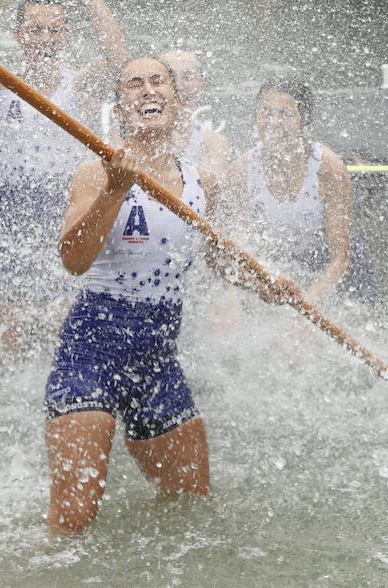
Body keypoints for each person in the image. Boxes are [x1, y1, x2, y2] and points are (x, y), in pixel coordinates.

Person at [45, 56, 301, 535]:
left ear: (178, 102)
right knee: (74, 519)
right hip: (89, 352)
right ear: (120, 106)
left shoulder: (205, 180)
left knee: (190, 510)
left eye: (157, 81)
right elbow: (73, 260)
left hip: (158, 359)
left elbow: (219, 259)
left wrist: (265, 285)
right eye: (134, 84)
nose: (147, 90)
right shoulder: (95, 170)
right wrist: (114, 192)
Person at [0, 0, 127, 354]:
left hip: (65, 217)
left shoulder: (79, 86)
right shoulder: (0, 85)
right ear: (18, 35)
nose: (45, 40)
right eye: (35, 30)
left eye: (54, 31)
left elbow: (119, 61)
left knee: (59, 349)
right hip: (8, 221)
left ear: (65, 36)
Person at [215, 76, 372, 330]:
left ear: (303, 121)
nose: (273, 123)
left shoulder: (329, 167)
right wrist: (233, 295)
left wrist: (305, 312)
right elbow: (237, 250)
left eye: (285, 114)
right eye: (265, 113)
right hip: (281, 269)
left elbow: (340, 258)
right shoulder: (240, 171)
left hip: (332, 270)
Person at [158, 49, 232, 184]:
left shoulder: (215, 144)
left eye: (187, 77)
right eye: (170, 77)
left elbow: (205, 194)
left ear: (200, 82)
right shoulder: (127, 134)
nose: (179, 85)